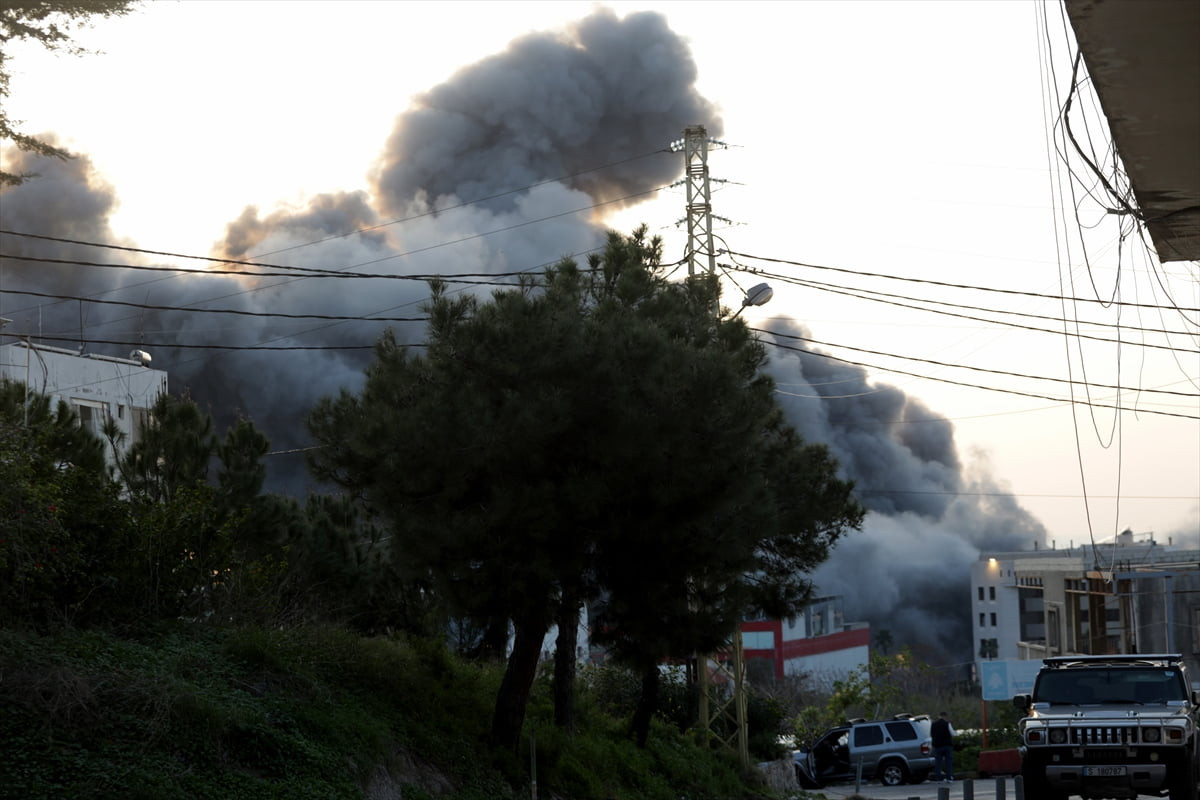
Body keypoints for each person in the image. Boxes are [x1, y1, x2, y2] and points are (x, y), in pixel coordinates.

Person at [930, 711, 956, 783]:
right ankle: (949, 778)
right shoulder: (947, 724)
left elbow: (931, 734)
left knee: (938, 763)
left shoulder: (933, 724)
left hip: (937, 746)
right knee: (948, 762)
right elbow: (953, 734)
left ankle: (938, 778)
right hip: (947, 745)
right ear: (945, 716)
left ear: (939, 716)